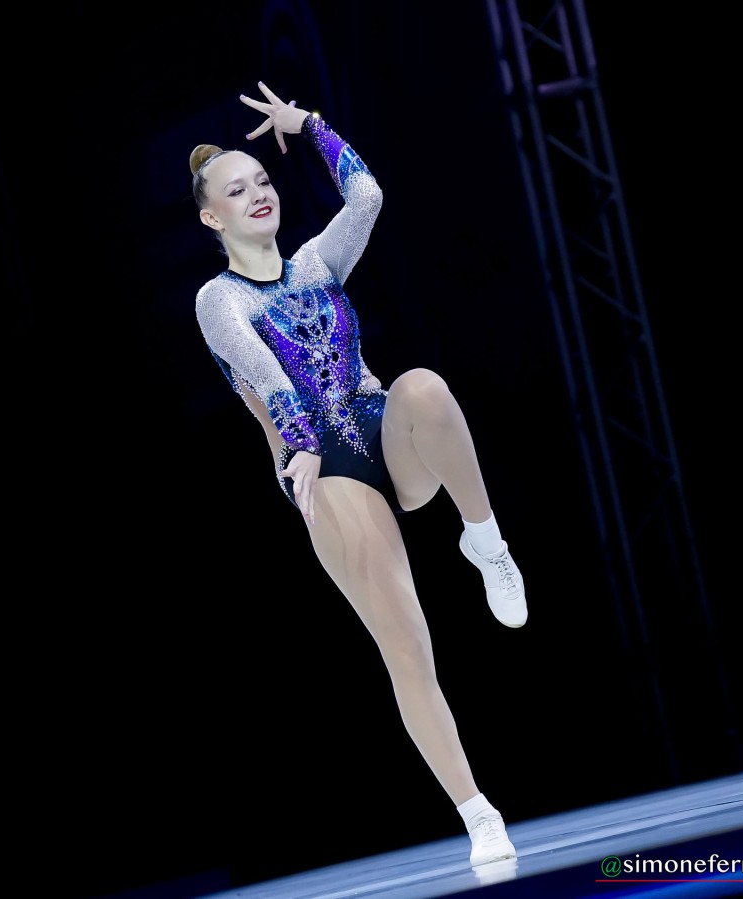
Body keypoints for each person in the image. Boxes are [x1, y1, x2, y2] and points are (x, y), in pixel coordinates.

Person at [190, 81, 526, 868]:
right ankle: (478, 812)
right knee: (407, 646)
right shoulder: (218, 298)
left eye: (262, 180)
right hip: (322, 470)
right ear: (212, 218)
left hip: (379, 426)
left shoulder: (315, 261)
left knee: (426, 387)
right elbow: (262, 371)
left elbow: (367, 195)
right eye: (237, 191)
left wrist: (309, 125)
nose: (258, 194)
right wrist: (300, 440)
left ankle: (486, 543)